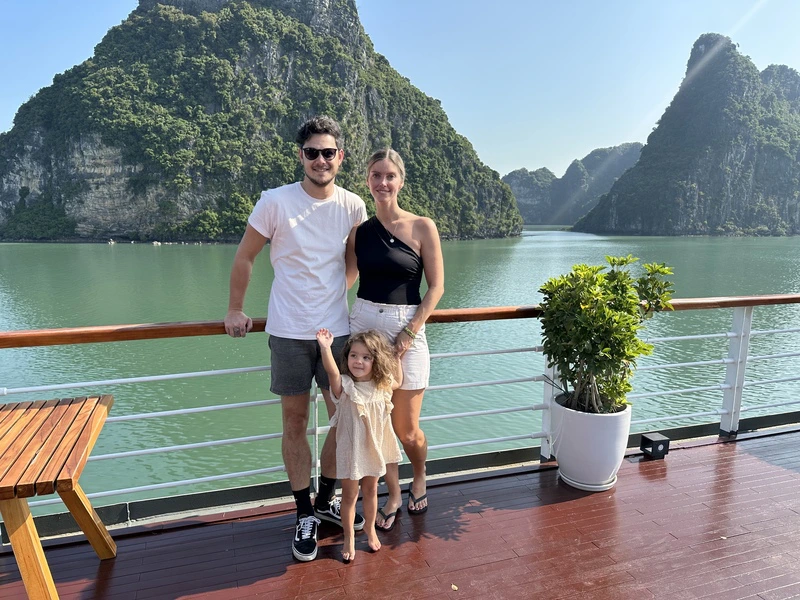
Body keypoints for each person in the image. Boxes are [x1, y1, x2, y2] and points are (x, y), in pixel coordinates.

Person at [224, 116, 368, 562]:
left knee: (344, 419)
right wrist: (235, 308)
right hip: (287, 332)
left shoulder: (352, 206)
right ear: (300, 156)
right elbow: (246, 257)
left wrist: (331, 296)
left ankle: (326, 497)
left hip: (336, 332)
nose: (320, 160)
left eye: (329, 152)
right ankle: (304, 511)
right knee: (294, 424)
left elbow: (353, 260)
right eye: (312, 152)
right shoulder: (274, 202)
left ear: (340, 157)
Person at [347, 148, 445, 531]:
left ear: (401, 181)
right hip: (364, 325)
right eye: (376, 175)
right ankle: (390, 493)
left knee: (405, 428)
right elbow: (345, 279)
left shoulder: (422, 227)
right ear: (367, 181)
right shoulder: (360, 232)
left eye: (389, 176)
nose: (382, 182)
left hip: (408, 325)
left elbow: (436, 288)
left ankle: (418, 477)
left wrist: (408, 332)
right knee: (374, 423)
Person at [316, 328, 403, 562]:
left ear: (376, 361)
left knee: (372, 490)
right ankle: (348, 537)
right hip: (351, 449)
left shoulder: (381, 385)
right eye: (354, 355)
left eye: (366, 357)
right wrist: (325, 347)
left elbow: (398, 380)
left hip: (373, 448)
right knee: (349, 496)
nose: (358, 361)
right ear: (347, 358)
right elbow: (332, 372)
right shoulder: (345, 386)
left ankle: (370, 529)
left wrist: (396, 356)